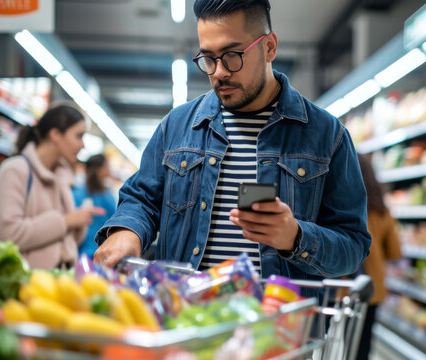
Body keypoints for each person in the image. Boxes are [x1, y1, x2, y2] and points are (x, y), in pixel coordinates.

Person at [93, 0, 371, 293]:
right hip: (186, 320)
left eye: (232, 55)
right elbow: (142, 199)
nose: (219, 72)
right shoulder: (176, 127)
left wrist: (296, 237)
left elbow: (353, 245)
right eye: (208, 58)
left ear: (269, 47)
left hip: (278, 327)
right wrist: (127, 231)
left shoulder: (328, 135)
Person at [0, 102, 105, 269]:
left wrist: (79, 221)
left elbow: (68, 239)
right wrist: (66, 221)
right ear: (55, 134)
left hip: (57, 284)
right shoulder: (15, 170)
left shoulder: (62, 176)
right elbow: (10, 235)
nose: (82, 145)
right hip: (24, 285)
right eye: (78, 136)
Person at [355, 153, 401, 360]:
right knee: (362, 348)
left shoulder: (336, 204)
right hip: (371, 289)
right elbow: (394, 251)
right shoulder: (381, 209)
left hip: (340, 290)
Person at [73, 154, 117, 259]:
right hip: (101, 254)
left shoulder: (75, 193)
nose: (109, 170)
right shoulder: (107, 197)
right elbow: (114, 225)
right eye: (106, 166)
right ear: (99, 169)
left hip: (79, 253)